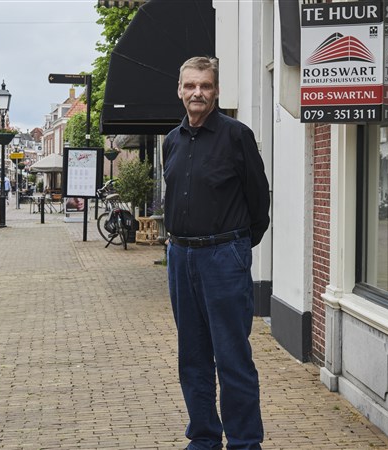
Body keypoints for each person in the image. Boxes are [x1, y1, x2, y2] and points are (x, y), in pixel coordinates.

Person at [162, 56, 270, 450]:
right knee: (192, 356)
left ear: (217, 90)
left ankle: (244, 441)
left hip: (224, 256)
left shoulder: (237, 135)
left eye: (205, 86)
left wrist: (236, 247)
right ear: (179, 89)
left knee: (232, 357)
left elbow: (259, 203)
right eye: (190, 86)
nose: (197, 93)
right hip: (181, 257)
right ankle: (204, 436)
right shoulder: (171, 141)